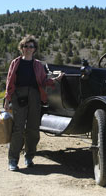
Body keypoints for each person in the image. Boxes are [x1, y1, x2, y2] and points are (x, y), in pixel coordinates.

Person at [4, 35, 64, 171]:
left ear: (34, 49)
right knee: (18, 128)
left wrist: (55, 79)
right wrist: (7, 99)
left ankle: (29, 157)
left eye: (31, 46)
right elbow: (10, 82)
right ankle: (13, 160)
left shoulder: (37, 65)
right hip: (18, 96)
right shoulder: (15, 63)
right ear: (22, 48)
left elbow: (43, 82)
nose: (28, 49)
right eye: (26, 46)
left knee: (33, 129)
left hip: (35, 97)